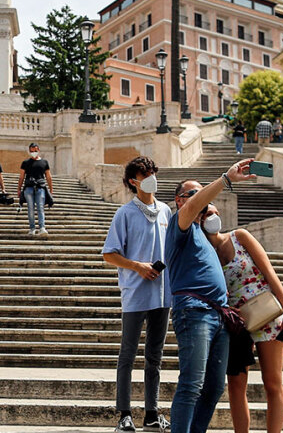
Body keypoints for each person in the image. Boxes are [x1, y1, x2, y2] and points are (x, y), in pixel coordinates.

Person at [166, 159, 256, 433]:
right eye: (193, 193)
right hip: (194, 311)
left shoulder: (203, 234)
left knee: (214, 387)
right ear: (179, 200)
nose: (199, 198)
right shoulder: (179, 223)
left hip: (219, 315)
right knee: (191, 384)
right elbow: (194, 206)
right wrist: (224, 180)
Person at [201, 203, 283, 433]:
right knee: (236, 385)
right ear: (199, 220)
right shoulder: (203, 253)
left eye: (217, 213)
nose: (214, 217)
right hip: (235, 324)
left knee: (272, 382)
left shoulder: (240, 237)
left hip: (268, 314)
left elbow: (269, 272)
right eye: (208, 214)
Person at [102, 156, 173, 433]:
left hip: (163, 294)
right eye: (146, 173)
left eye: (153, 171)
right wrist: (138, 267)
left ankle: (152, 413)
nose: (151, 176)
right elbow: (109, 254)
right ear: (134, 180)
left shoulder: (166, 211)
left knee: (155, 356)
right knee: (128, 354)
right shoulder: (125, 213)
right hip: (135, 293)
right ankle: (124, 413)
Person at [17, 143, 53, 236]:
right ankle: (32, 228)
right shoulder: (25, 163)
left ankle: (42, 227)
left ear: (39, 150)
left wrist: (50, 189)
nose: (34, 152)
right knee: (31, 209)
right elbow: (21, 177)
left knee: (40, 208)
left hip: (40, 187)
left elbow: (48, 176)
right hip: (28, 188)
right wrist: (19, 189)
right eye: (32, 151)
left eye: (35, 151)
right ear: (29, 151)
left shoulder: (44, 162)